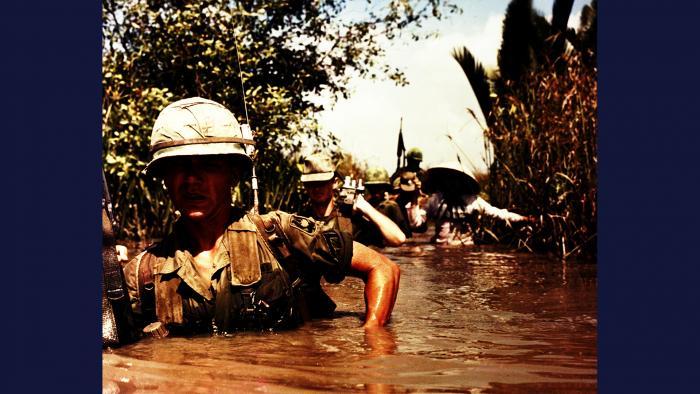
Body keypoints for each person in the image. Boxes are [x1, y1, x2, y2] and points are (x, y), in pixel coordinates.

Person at [121, 97, 399, 337]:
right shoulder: (141, 274)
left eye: (208, 164)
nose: (192, 179)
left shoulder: (280, 235)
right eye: (177, 166)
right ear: (164, 179)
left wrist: (373, 342)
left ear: (233, 174)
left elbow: (383, 268)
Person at [299, 154, 406, 247]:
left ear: (335, 182)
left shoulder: (351, 219)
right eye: (311, 183)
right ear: (305, 185)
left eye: (322, 183)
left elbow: (398, 239)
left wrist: (365, 207)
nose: (317, 188)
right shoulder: (299, 221)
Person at [423, 161, 532, 245]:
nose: (451, 183)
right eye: (448, 179)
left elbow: (498, 213)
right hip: (440, 249)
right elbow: (420, 220)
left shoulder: (472, 201)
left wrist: (524, 219)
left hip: (464, 249)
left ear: (462, 182)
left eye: (455, 180)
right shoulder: (435, 200)